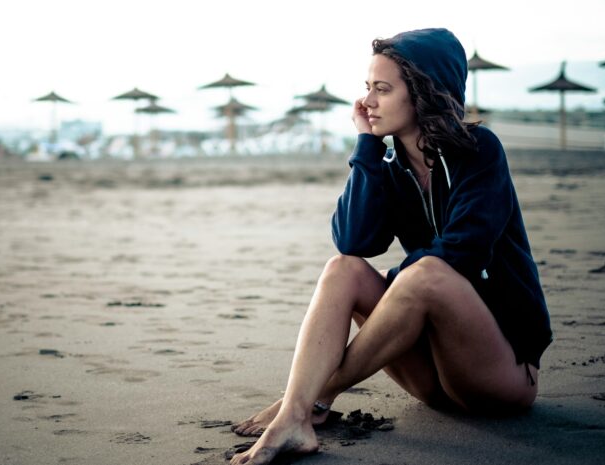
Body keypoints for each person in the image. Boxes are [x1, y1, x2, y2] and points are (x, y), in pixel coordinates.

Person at [229, 28, 553, 465]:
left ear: (423, 93)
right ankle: (298, 412)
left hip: (501, 375)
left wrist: (398, 283)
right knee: (342, 269)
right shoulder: (389, 162)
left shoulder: (479, 151)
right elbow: (355, 241)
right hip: (431, 381)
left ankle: (306, 403)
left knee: (427, 274)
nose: (367, 102)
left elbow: (464, 254)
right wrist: (366, 146)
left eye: (383, 89)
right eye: (367, 89)